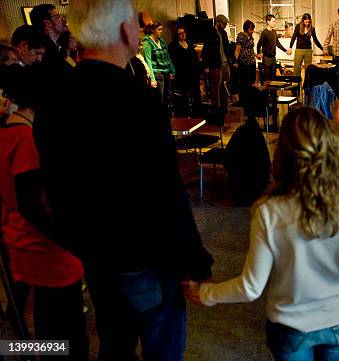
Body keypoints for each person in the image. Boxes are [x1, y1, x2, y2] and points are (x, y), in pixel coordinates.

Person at [33, 1, 214, 360]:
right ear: (123, 30)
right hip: (145, 258)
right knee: (162, 345)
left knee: (115, 342)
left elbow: (54, 188)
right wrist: (194, 263)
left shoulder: (55, 100)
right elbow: (165, 194)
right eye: (135, 21)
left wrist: (82, 242)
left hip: (96, 257)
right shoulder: (137, 101)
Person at [193, 107, 339, 360]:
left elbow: (251, 287)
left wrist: (206, 294)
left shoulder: (268, 210)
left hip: (290, 328)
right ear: (330, 147)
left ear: (282, 154)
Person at [0, 65, 89, 360]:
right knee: (65, 324)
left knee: (48, 315)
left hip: (24, 238)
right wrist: (73, 241)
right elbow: (31, 204)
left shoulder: (8, 130)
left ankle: (43, 354)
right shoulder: (26, 137)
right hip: (45, 246)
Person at [223, 97, 271, 206]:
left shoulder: (241, 133)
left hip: (240, 190)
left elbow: (227, 159)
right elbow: (266, 164)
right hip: (258, 190)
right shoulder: (259, 136)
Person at [203, 14, 236, 109]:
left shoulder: (224, 33)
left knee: (224, 88)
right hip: (216, 65)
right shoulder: (210, 33)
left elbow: (228, 48)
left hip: (225, 64)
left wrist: (233, 61)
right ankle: (216, 109)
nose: (225, 26)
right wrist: (206, 66)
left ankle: (224, 108)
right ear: (218, 22)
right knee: (216, 89)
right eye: (224, 24)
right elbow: (206, 50)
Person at [169, 26, 202, 115]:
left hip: (193, 73)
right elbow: (172, 59)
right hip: (181, 73)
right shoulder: (173, 46)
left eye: (183, 33)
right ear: (176, 35)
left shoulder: (190, 43)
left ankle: (197, 112)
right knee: (183, 94)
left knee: (195, 93)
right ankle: (184, 113)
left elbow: (195, 57)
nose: (182, 35)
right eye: (180, 34)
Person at [143, 21, 176, 106]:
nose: (161, 31)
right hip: (158, 73)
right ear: (153, 30)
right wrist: (152, 78)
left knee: (167, 98)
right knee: (159, 99)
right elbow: (148, 61)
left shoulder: (161, 41)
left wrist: (172, 70)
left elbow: (167, 57)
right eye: (159, 29)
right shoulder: (147, 43)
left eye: (161, 29)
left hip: (166, 72)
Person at [29, 3, 66, 68]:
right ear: (47, 23)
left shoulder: (60, 41)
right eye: (57, 17)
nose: (63, 20)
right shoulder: (40, 50)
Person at [257, 14, 291, 82]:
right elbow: (259, 44)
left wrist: (285, 50)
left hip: (273, 58)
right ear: (268, 22)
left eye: (275, 21)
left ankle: (273, 93)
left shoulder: (274, 32)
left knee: (273, 78)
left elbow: (277, 43)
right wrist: (259, 53)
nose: (274, 23)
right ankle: (266, 92)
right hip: (266, 58)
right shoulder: (264, 33)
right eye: (273, 21)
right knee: (267, 79)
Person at [289, 13, 324, 78]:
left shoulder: (312, 28)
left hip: (308, 51)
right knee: (297, 68)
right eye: (305, 22)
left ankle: (307, 86)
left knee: (308, 69)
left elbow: (315, 40)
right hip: (299, 50)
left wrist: (322, 49)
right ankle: (297, 85)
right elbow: (293, 37)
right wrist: (290, 47)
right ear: (303, 20)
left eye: (308, 22)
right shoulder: (298, 26)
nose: (307, 23)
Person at [235, 20, 257, 100]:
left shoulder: (250, 36)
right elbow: (237, 49)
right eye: (252, 29)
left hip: (251, 62)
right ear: (248, 29)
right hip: (244, 62)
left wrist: (255, 55)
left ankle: (251, 98)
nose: (253, 31)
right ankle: (244, 99)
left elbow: (250, 49)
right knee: (245, 82)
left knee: (251, 81)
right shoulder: (241, 36)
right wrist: (235, 61)